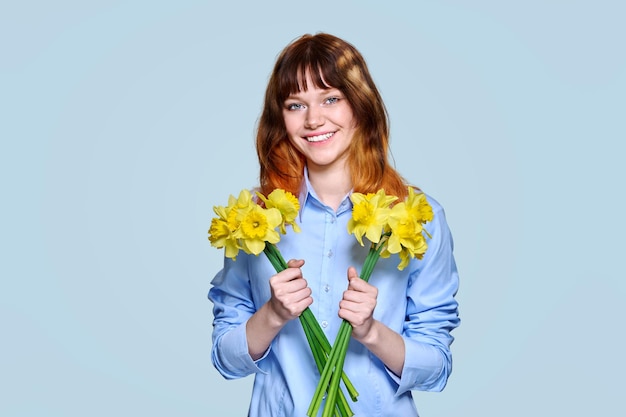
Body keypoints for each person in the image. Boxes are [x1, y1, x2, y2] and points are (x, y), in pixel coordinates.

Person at [208, 33, 460, 416]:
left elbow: (436, 369)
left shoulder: (418, 217)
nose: (314, 120)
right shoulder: (253, 221)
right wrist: (272, 315)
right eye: (296, 105)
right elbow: (226, 358)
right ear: (281, 118)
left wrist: (371, 332)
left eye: (331, 98)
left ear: (360, 104)